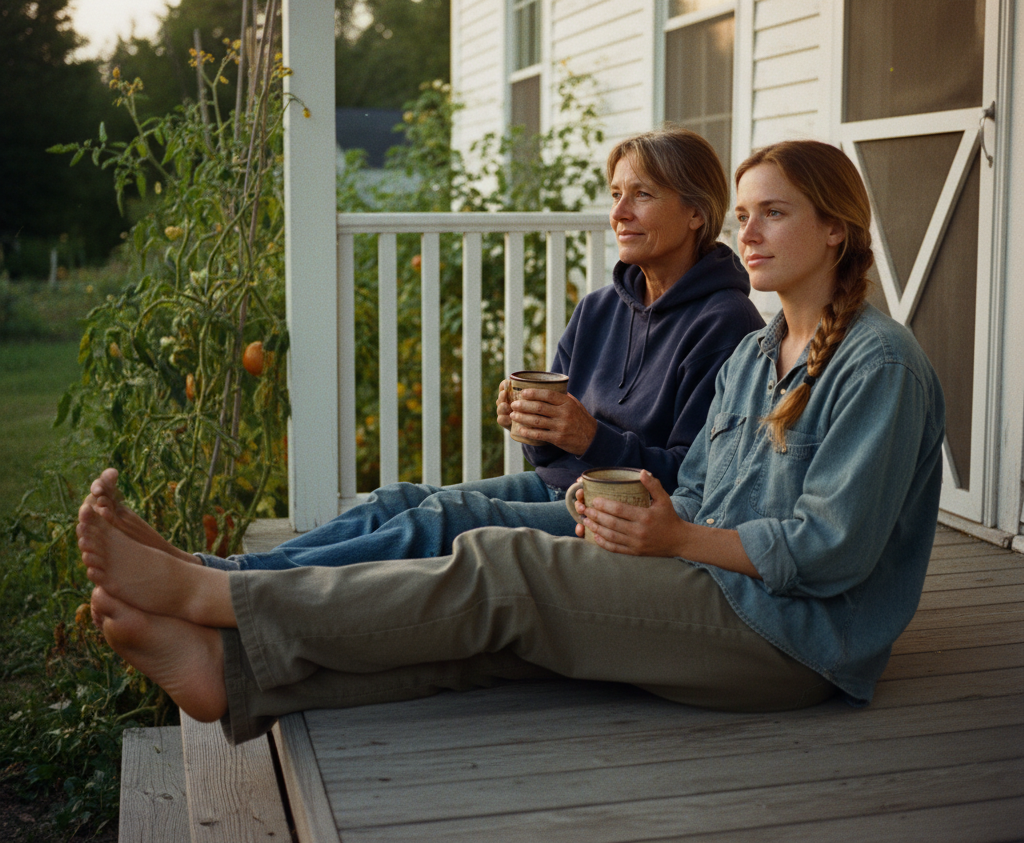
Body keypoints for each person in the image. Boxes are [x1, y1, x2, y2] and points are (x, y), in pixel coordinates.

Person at [76, 139, 945, 747]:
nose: (746, 233)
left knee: (505, 567)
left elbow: (832, 553)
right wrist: (639, 510)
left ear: (835, 229)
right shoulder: (759, 354)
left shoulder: (879, 365)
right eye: (745, 215)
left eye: (773, 215)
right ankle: (233, 675)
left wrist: (675, 536)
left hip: (791, 640)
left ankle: (215, 596)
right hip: (711, 582)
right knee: (504, 630)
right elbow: (707, 492)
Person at [93, 128, 763, 571]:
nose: (619, 212)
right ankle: (213, 571)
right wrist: (536, 427)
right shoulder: (600, 308)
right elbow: (558, 454)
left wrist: (589, 436)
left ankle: (220, 585)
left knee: (446, 517)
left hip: (622, 521)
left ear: (697, 212)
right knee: (397, 499)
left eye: (642, 196)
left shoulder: (726, 322)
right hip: (562, 486)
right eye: (616, 194)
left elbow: (686, 480)